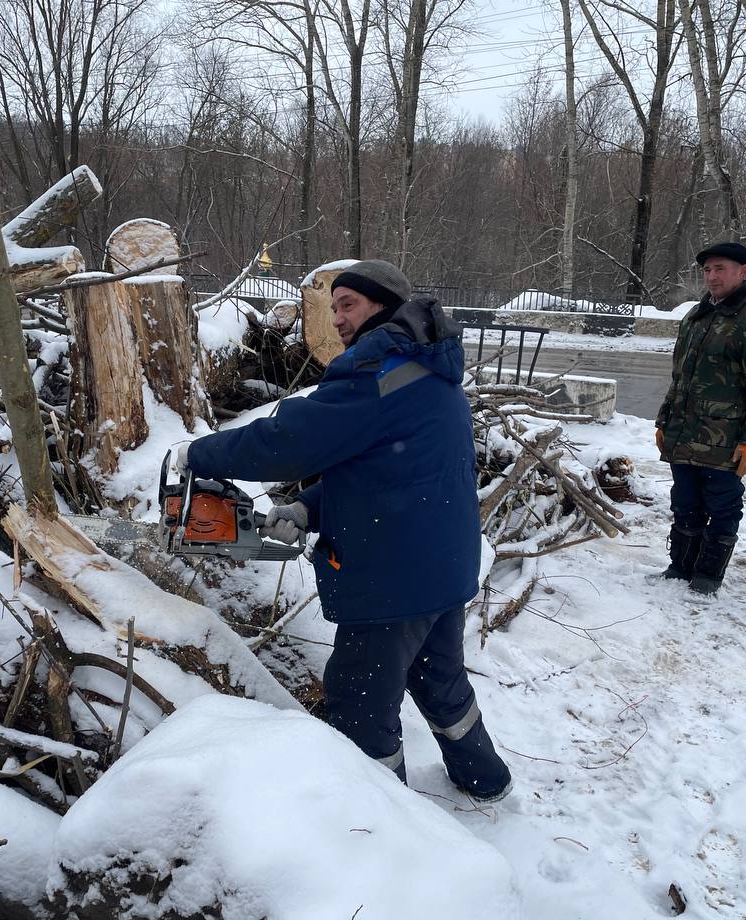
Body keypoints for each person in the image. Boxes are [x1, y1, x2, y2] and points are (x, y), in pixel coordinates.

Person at [179, 259, 513, 803]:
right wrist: (312, 508)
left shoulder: (378, 374)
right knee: (440, 680)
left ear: (383, 304)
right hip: (439, 569)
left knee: (360, 707)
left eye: (348, 304)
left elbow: (290, 441)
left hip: (393, 582)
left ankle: (380, 828)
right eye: (333, 306)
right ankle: (487, 781)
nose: (336, 318)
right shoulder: (425, 368)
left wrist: (199, 451)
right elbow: (387, 470)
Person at [655, 241, 746, 594]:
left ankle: (708, 576)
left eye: (720, 269)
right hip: (684, 435)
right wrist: (663, 420)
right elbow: (679, 379)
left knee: (723, 509)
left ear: (743, 272)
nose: (711, 276)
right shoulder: (695, 317)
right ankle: (680, 568)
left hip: (725, 443)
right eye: (707, 270)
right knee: (684, 504)